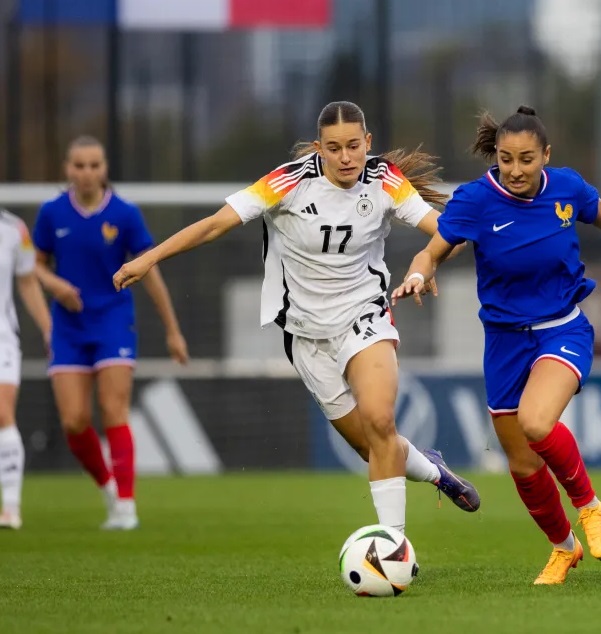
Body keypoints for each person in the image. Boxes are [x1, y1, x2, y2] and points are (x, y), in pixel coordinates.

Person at [113, 101, 481, 534]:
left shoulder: (385, 180)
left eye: (352, 146)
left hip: (365, 316)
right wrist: (149, 259)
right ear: (317, 148)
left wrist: (426, 266)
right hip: (306, 335)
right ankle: (435, 471)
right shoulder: (287, 182)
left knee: (381, 422)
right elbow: (216, 224)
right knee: (373, 449)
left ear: (368, 143)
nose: (345, 157)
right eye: (333, 148)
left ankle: (393, 547)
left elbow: (446, 234)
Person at [392, 105, 601, 584]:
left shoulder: (567, 188)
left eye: (526, 159)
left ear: (546, 156)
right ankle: (563, 548)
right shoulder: (475, 200)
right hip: (505, 343)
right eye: (506, 159)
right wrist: (418, 274)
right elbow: (434, 249)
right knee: (523, 463)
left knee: (535, 421)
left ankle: (590, 507)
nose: (515, 170)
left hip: (562, 329)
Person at [32, 135, 190, 531]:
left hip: (113, 321)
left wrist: (173, 330)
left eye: (95, 165)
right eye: (79, 166)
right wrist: (54, 285)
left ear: (105, 169)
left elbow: (150, 272)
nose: (87, 173)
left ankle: (126, 504)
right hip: (68, 326)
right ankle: (106, 486)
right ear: (68, 169)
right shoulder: (52, 213)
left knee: (114, 408)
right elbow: (32, 265)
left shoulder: (124, 214)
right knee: (73, 420)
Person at [0, 209, 52, 530]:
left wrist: (49, 330)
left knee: (2, 413)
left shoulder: (14, 229)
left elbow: (28, 282)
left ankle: (10, 507)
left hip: (2, 338)